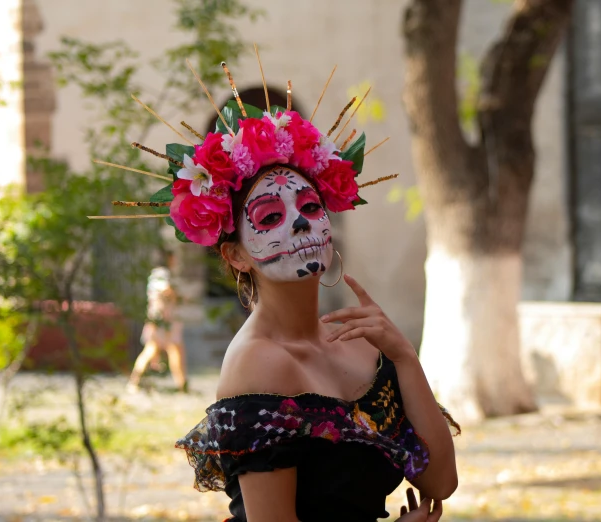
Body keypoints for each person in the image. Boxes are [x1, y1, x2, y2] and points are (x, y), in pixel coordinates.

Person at [110, 61, 460, 521]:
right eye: (271, 216)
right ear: (236, 254)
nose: (300, 222)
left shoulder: (362, 344)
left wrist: (404, 357)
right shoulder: (258, 363)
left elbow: (439, 482)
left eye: (311, 205)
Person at [127, 251, 187, 393]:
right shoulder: (160, 274)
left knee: (172, 350)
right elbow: (165, 291)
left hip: (167, 320)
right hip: (161, 320)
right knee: (156, 350)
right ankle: (134, 382)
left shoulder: (165, 274)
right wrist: (177, 295)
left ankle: (182, 384)